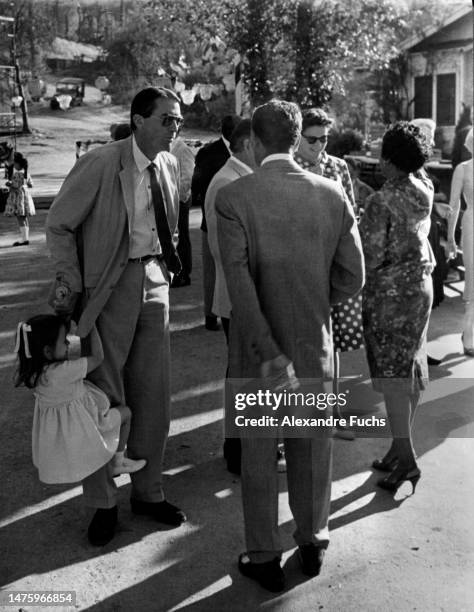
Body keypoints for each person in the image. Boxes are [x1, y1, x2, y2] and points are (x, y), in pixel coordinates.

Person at [216, 100, 364, 592]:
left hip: (258, 354)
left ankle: (263, 555)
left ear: (255, 142)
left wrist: (265, 347)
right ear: (298, 138)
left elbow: (238, 284)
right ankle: (313, 540)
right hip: (314, 343)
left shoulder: (235, 197)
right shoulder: (331, 193)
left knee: (258, 457)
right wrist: (315, 302)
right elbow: (353, 275)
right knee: (312, 451)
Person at [46, 87, 187, 547]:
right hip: (108, 287)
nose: (175, 128)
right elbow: (60, 224)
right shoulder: (103, 163)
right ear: (139, 120)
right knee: (103, 398)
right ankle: (103, 504)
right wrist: (70, 282)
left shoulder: (168, 164)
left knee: (154, 396)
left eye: (178, 120)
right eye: (167, 120)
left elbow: (169, 225)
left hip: (153, 281)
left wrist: (165, 270)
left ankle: (149, 492)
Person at [359, 121, 434, 492]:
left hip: (390, 296)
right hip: (421, 289)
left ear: (388, 159)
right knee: (412, 368)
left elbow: (369, 258)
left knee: (392, 379)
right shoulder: (425, 188)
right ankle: (396, 448)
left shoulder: (380, 201)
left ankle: (407, 460)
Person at [295, 108, 363, 441]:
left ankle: (332, 414)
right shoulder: (290, 168)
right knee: (305, 344)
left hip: (334, 264)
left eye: (324, 138)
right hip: (303, 266)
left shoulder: (338, 167)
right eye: (312, 139)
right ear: (297, 137)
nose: (319, 145)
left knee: (333, 344)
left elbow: (351, 213)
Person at [14, 316, 146, 485]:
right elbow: (98, 357)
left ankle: (116, 462)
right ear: (47, 351)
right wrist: (91, 327)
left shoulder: (34, 375)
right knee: (126, 413)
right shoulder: (64, 371)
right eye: (64, 341)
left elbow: (69, 353)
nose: (69, 344)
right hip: (91, 423)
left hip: (69, 431)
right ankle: (118, 461)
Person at [204, 118, 255, 474]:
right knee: (241, 374)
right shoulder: (227, 181)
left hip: (244, 295)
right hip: (239, 296)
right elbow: (226, 252)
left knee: (245, 373)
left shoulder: (240, 177)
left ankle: (242, 446)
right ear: (250, 143)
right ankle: (238, 449)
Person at [191, 114, 241, 330]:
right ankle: (211, 316)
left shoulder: (243, 153)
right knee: (212, 271)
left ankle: (230, 313)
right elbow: (199, 184)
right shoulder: (208, 152)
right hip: (210, 219)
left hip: (236, 221)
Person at [446, 127, 474, 356]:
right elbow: (453, 206)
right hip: (471, 224)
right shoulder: (462, 169)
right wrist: (450, 238)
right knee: (473, 278)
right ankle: (469, 334)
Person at [170, 133, 196, 287]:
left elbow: (187, 178)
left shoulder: (182, 149)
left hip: (179, 199)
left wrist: (174, 198)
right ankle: (175, 272)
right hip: (171, 200)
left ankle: (183, 274)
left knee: (181, 238)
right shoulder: (167, 146)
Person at [3, 151, 35, 246]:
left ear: (17, 163)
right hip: (25, 198)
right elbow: (31, 185)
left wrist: (9, 184)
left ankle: (24, 239)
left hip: (18, 199)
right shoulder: (26, 173)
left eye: (14, 163)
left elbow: (15, 186)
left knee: (20, 218)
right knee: (24, 218)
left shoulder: (17, 174)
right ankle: (26, 238)